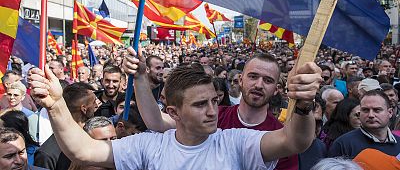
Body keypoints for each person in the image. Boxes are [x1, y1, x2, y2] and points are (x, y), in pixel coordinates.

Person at [28, 52, 321, 170]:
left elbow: (294, 141)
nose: (212, 111)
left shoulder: (236, 142)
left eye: (212, 101)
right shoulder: (148, 145)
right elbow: (83, 151)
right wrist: (56, 106)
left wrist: (305, 104)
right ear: (174, 112)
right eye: (199, 104)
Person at [122, 48, 322, 170]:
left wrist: (304, 103)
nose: (259, 85)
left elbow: (297, 141)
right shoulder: (215, 115)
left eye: (268, 80)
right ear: (240, 79)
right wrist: (140, 77)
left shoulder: (278, 132)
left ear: (277, 88)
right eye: (253, 76)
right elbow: (156, 121)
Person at [34, 83, 99, 170]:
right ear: (84, 108)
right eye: (94, 102)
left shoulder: (95, 139)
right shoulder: (47, 153)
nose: (96, 105)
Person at [328, 90, 400, 158]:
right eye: (365, 110)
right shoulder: (343, 144)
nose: (371, 115)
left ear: (390, 112)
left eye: (377, 110)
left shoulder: (398, 142)